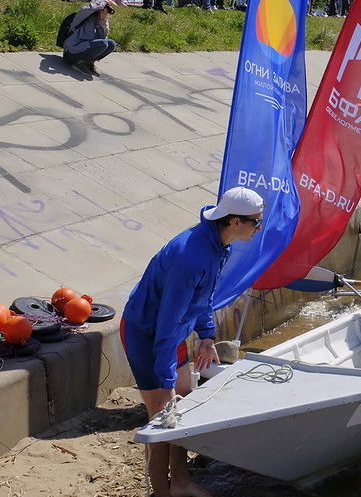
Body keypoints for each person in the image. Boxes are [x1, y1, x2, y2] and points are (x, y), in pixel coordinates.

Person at [122, 186, 265, 497]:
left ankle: (182, 483)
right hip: (147, 334)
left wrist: (207, 336)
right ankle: (161, 490)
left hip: (172, 330)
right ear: (236, 221)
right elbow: (166, 322)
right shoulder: (191, 257)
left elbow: (204, 295)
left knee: (183, 407)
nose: (259, 228)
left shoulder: (218, 243)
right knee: (162, 418)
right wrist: (166, 379)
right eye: (257, 222)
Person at [62, 0, 117, 77]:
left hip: (84, 49)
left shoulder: (99, 21)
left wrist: (103, 20)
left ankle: (88, 62)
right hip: (71, 52)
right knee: (103, 43)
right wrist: (103, 2)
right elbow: (89, 9)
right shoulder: (83, 14)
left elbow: (103, 38)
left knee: (111, 44)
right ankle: (79, 63)